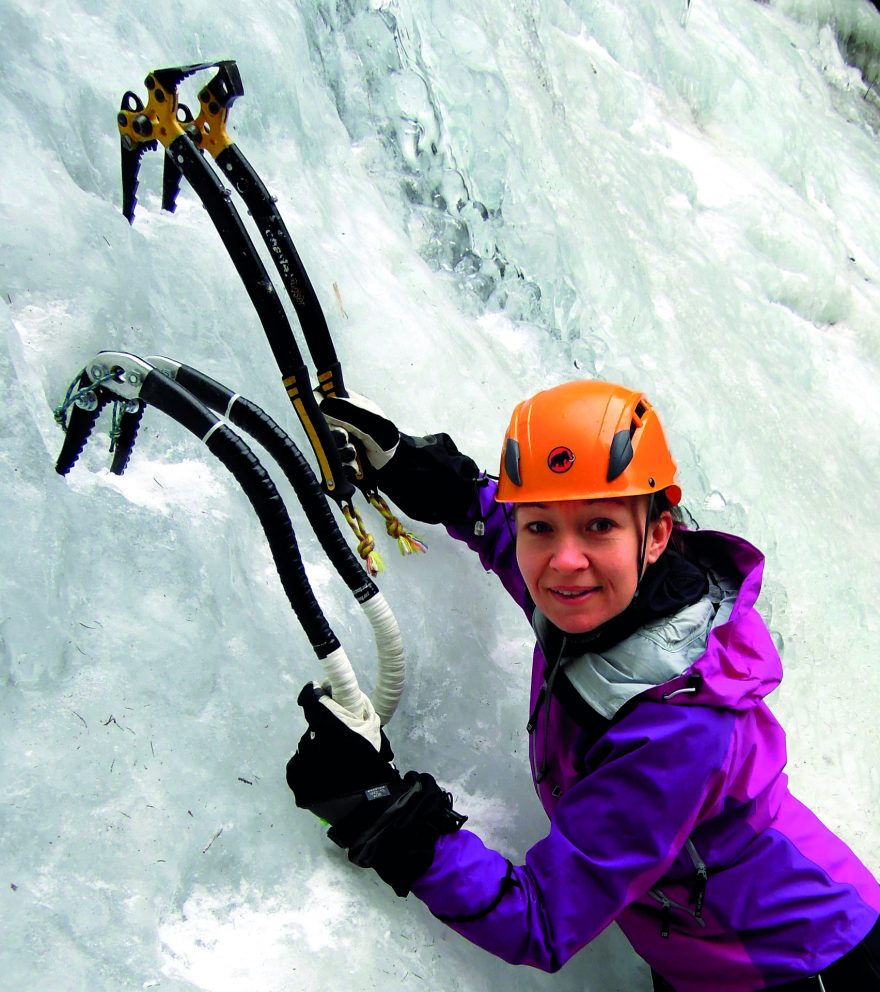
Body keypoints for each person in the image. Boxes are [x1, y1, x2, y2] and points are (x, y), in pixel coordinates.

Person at [286, 379, 880, 992]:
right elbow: (511, 531)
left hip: (800, 963)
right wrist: (431, 479)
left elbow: (542, 922)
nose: (565, 560)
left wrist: (383, 813)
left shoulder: (677, 729)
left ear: (657, 534)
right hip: (709, 937)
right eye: (540, 527)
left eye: (599, 525)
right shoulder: (605, 600)